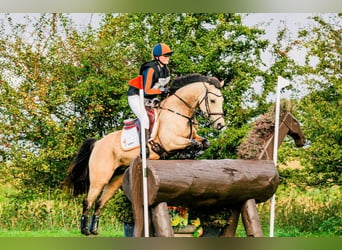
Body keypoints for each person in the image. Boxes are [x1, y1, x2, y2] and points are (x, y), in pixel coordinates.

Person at [127, 43, 173, 157]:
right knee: (145, 119)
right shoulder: (151, 69)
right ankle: (144, 148)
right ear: (157, 57)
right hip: (137, 96)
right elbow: (147, 90)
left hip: (150, 99)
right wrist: (162, 91)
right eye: (165, 55)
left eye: (168, 55)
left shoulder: (166, 70)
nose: (167, 57)